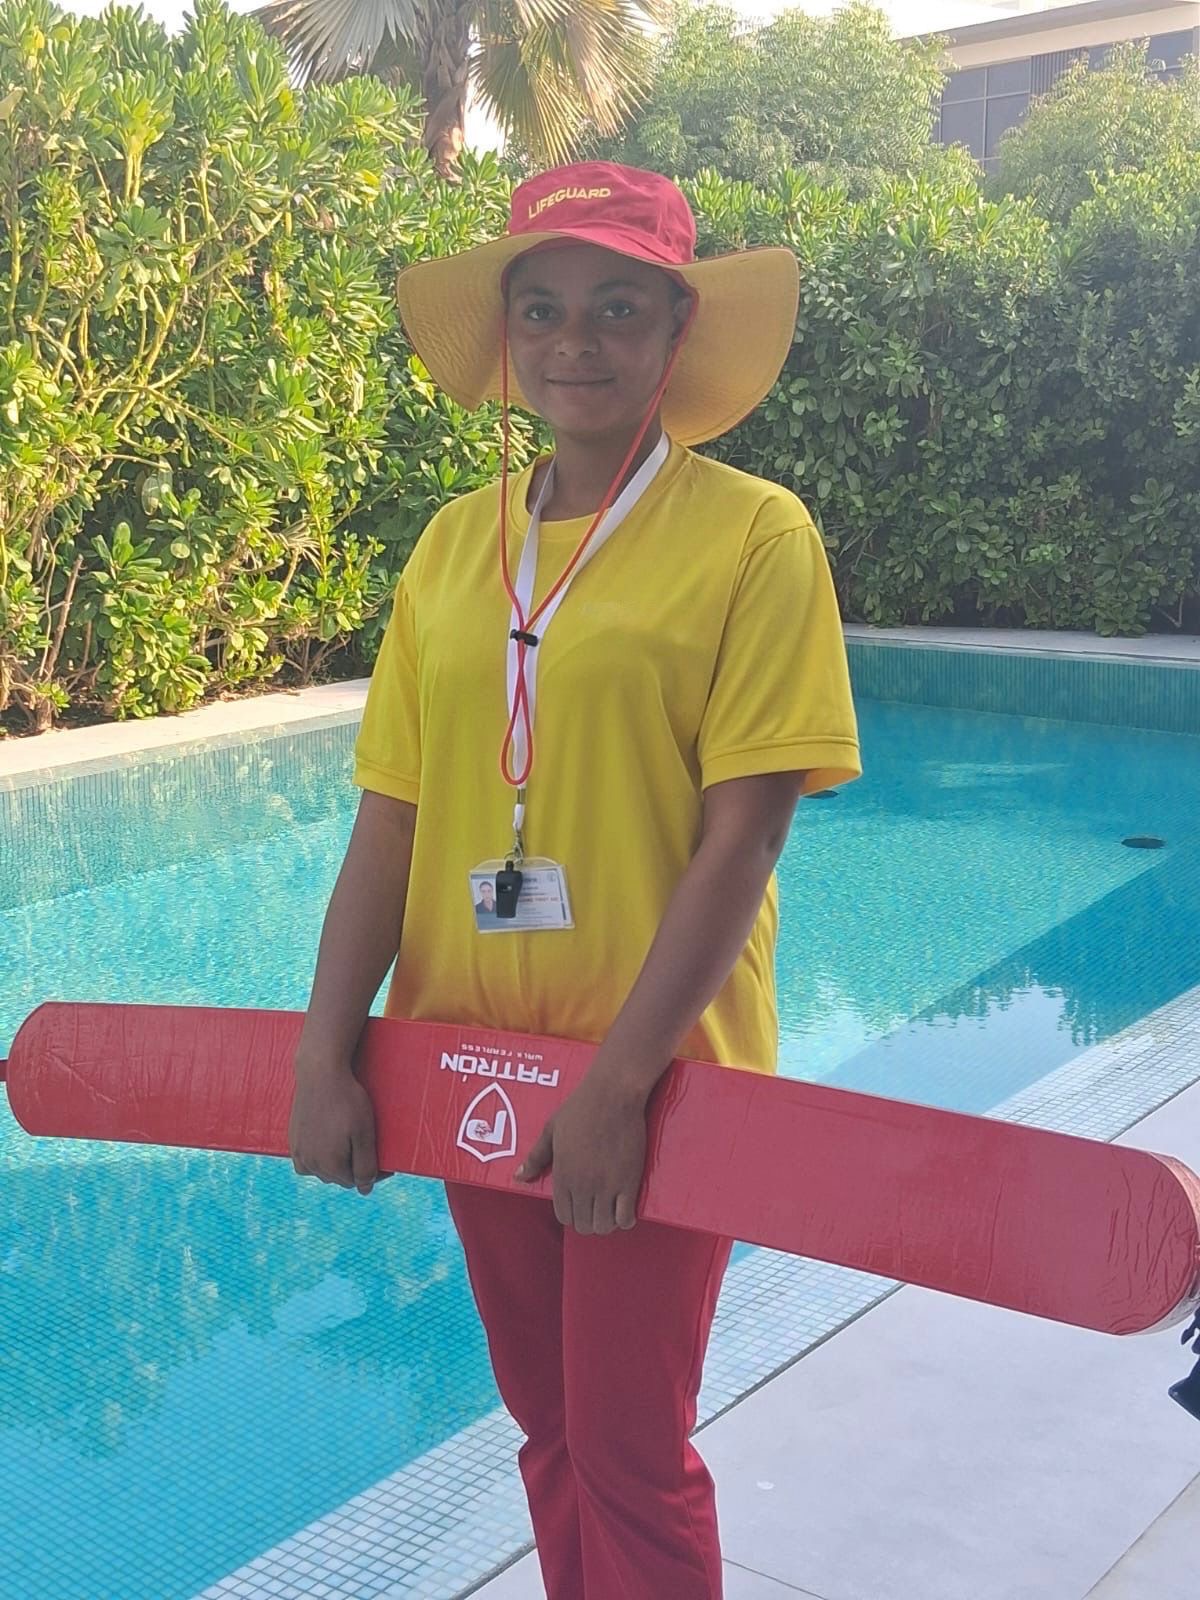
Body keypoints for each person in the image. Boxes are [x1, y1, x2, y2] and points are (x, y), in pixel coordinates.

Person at [288, 161, 861, 1600]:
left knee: (630, 1445)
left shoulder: (754, 535)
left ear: (675, 335)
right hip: (467, 1055)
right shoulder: (447, 546)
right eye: (541, 310)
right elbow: (393, 822)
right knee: (549, 1426)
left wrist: (620, 1083)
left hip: (657, 1078)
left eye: (617, 307)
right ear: (509, 342)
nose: (576, 341)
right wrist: (324, 1048)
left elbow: (748, 836)